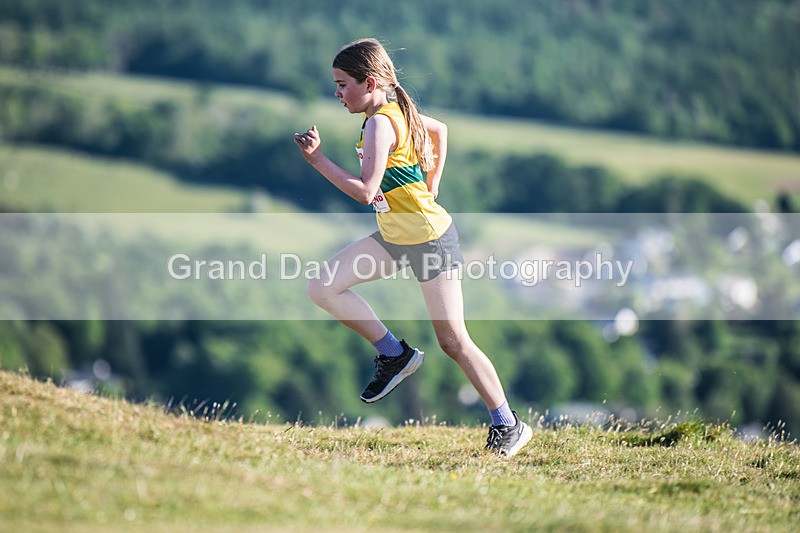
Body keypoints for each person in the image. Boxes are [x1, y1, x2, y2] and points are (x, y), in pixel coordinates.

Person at [293, 38, 532, 457]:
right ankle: (394, 355)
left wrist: (317, 161)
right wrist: (433, 181)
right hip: (396, 236)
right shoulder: (392, 111)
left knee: (454, 340)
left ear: (369, 82)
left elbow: (367, 191)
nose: (337, 92)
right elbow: (439, 131)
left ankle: (508, 424)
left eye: (342, 83)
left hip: (428, 239)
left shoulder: (382, 122)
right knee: (323, 286)